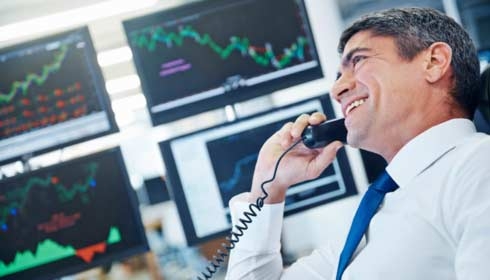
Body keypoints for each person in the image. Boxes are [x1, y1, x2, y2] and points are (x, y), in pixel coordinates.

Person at [225, 7, 490, 280]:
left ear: (434, 62)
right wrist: (266, 188)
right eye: (339, 76)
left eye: (359, 60)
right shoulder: (374, 218)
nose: (337, 89)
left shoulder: (478, 167)